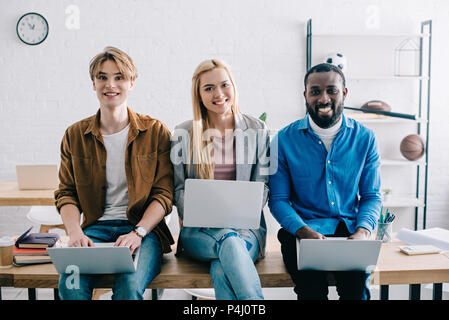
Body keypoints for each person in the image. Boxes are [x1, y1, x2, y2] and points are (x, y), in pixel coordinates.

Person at [54, 46, 174, 300]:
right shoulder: (75, 135)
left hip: (143, 232)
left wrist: (138, 232)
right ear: (93, 83)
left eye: (119, 77)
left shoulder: (155, 132)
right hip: (94, 231)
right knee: (71, 285)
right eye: (102, 77)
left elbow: (164, 194)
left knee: (128, 287)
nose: (110, 84)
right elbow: (66, 193)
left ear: (131, 83)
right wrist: (75, 232)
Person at [268, 63, 382, 300]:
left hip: (349, 233)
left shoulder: (365, 139)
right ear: (305, 95)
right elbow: (278, 200)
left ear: (345, 93)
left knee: (356, 293)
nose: (323, 98)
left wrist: (362, 232)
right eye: (315, 91)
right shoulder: (284, 140)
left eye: (332, 90)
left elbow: (371, 196)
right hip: (301, 231)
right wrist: (304, 231)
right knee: (311, 293)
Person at [171, 59, 270, 300]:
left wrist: (238, 214)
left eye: (224, 85)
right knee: (228, 240)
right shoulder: (184, 133)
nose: (219, 94)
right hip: (200, 234)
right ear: (199, 95)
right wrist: (209, 215)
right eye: (208, 88)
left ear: (233, 86)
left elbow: (264, 187)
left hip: (247, 232)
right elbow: (178, 190)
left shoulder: (258, 130)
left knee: (222, 265)